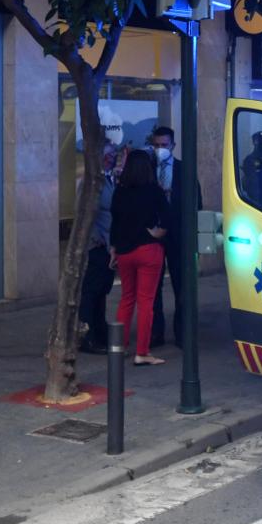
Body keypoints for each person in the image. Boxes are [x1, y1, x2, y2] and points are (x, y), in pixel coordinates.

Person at [111, 149, 170, 365]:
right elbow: (167, 216)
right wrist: (158, 232)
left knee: (127, 298)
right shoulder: (153, 191)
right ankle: (142, 352)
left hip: (125, 251)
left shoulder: (120, 191)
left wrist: (114, 248)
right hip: (148, 249)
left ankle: (119, 345)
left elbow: (114, 222)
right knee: (146, 302)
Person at [147, 126, 199, 348]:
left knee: (182, 286)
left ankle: (182, 333)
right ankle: (155, 333)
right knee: (152, 288)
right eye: (156, 145)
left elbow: (196, 201)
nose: (160, 149)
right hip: (152, 236)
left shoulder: (184, 169)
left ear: (173, 146)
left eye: (164, 145)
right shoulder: (146, 169)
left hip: (178, 237)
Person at [76, 144, 119, 355]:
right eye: (106, 155)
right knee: (91, 293)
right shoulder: (90, 183)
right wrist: (95, 240)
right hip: (97, 246)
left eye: (112, 155)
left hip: (108, 244)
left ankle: (99, 332)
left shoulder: (108, 179)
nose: (110, 158)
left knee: (101, 291)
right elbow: (84, 215)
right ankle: (87, 336)